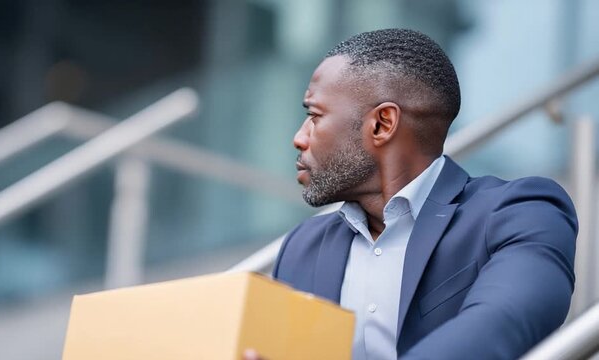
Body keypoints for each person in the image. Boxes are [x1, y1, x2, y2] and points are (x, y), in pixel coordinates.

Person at [247, 29, 577, 360]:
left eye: (314, 116)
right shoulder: (302, 247)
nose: (299, 138)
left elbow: (503, 323)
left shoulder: (520, 212)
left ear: (381, 124)